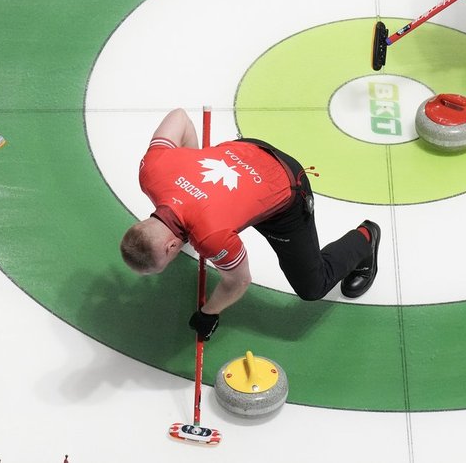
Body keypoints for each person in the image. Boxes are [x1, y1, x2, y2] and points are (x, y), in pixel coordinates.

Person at [120, 109, 381, 340]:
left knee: (313, 286)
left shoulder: (211, 238)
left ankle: (365, 239)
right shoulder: (152, 171)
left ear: (171, 246)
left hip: (284, 190)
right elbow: (180, 117)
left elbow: (239, 281)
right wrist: (196, 169)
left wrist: (209, 312)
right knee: (221, 215)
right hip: (244, 150)